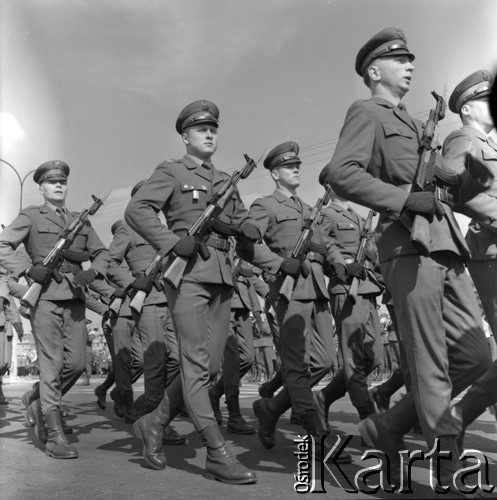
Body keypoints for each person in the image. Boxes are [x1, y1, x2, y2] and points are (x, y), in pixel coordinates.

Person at [319, 28, 490, 491]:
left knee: (475, 356)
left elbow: (438, 185)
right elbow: (342, 173)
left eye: (412, 59)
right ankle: (449, 464)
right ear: (375, 71)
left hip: (447, 245)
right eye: (401, 60)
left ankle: (388, 426)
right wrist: (399, 199)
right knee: (431, 361)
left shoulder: (416, 125)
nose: (410, 65)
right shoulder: (367, 113)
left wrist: (458, 178)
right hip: (409, 249)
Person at [125, 100, 261, 484]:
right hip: (187, 276)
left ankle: (153, 422)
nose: (209, 133)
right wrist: (170, 242)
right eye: (201, 129)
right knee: (197, 367)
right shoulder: (172, 170)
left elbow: (239, 220)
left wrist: (248, 228)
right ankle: (217, 453)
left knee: (208, 367)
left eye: (213, 128)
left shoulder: (225, 181)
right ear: (185, 136)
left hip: (221, 276)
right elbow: (137, 210)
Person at [238, 141, 350, 459]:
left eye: (298, 165)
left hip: (316, 288)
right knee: (296, 367)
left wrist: (338, 260)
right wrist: (276, 264)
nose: (296, 169)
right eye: (289, 167)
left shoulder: (308, 209)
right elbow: (245, 247)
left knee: (325, 361)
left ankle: (271, 408)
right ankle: (318, 434)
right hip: (289, 290)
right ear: (275, 174)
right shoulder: (265, 205)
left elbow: (326, 243)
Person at [0, 160, 110, 459]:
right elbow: (3, 244)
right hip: (45, 298)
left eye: (62, 182)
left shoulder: (81, 220)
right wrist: (27, 268)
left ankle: (37, 399)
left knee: (75, 364)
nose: (58, 186)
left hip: (74, 299)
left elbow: (102, 254)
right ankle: (54, 433)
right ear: (42, 187)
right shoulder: (32, 216)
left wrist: (93, 273)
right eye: (52, 182)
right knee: (51, 364)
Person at [441, 70, 497, 444]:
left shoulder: (489, 144)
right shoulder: (464, 138)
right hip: (490, 253)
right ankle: (455, 419)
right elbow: (454, 191)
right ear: (467, 109)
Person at [315, 196, 383, 428]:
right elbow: (319, 244)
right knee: (354, 357)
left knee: (374, 356)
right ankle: (369, 419)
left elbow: (372, 251)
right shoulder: (326, 214)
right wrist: (341, 266)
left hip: (368, 285)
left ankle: (323, 397)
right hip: (346, 287)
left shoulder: (359, 216)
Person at [209, 259, 267, 434]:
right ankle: (234, 416)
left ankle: (214, 393)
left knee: (248, 358)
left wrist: (258, 316)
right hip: (223, 308)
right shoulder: (221, 252)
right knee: (232, 361)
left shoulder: (240, 255)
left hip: (243, 310)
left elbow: (249, 285)